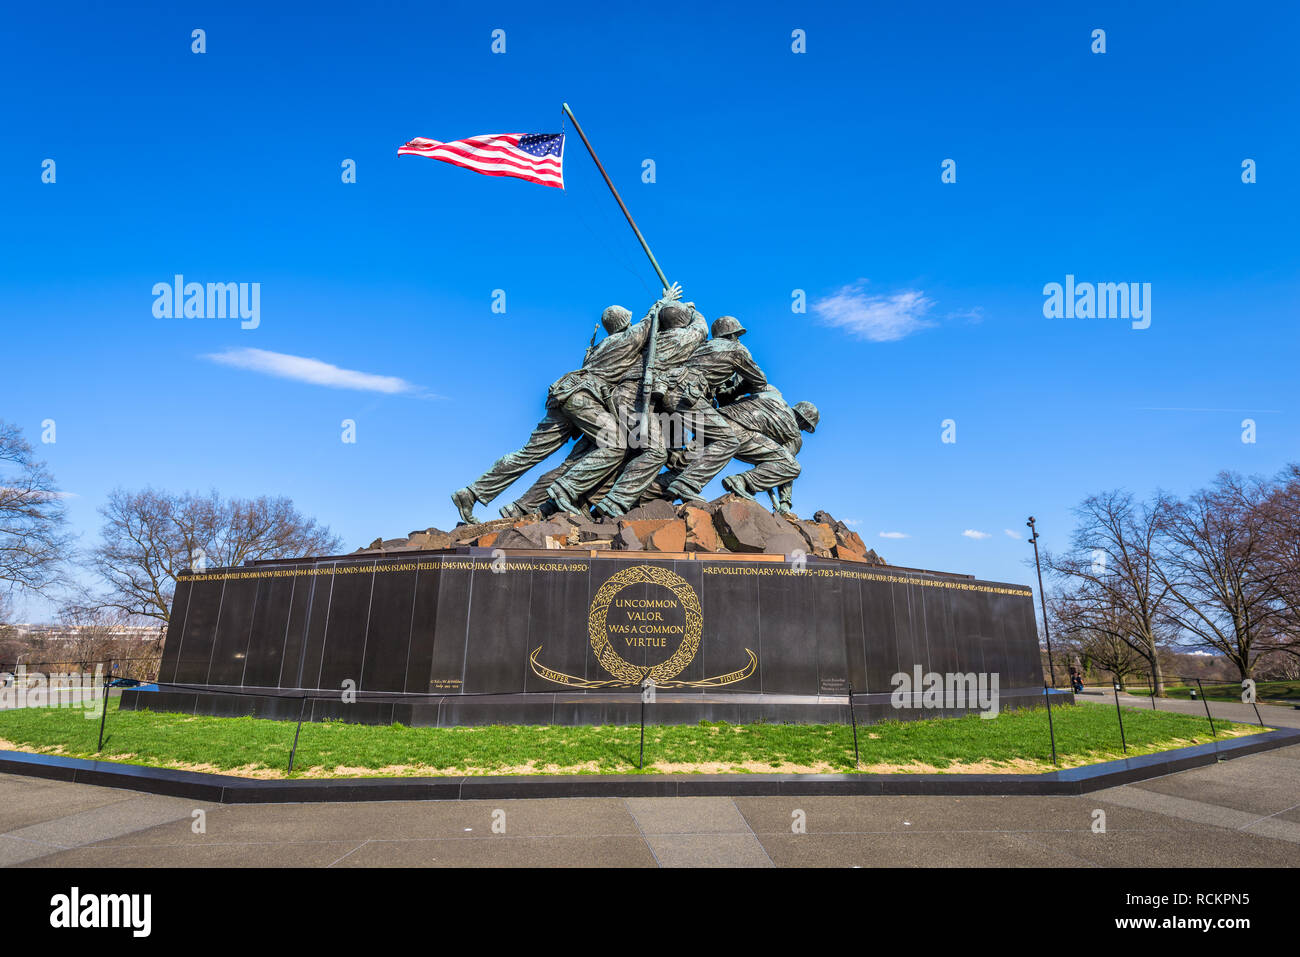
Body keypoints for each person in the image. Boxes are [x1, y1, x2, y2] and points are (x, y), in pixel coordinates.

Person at [450, 285, 680, 524]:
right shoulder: (627, 338)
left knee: (529, 454)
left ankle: (473, 492)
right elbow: (651, 321)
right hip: (583, 398)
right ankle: (565, 489)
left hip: (564, 395)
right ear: (624, 322)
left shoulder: (600, 346)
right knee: (617, 444)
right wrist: (666, 300)